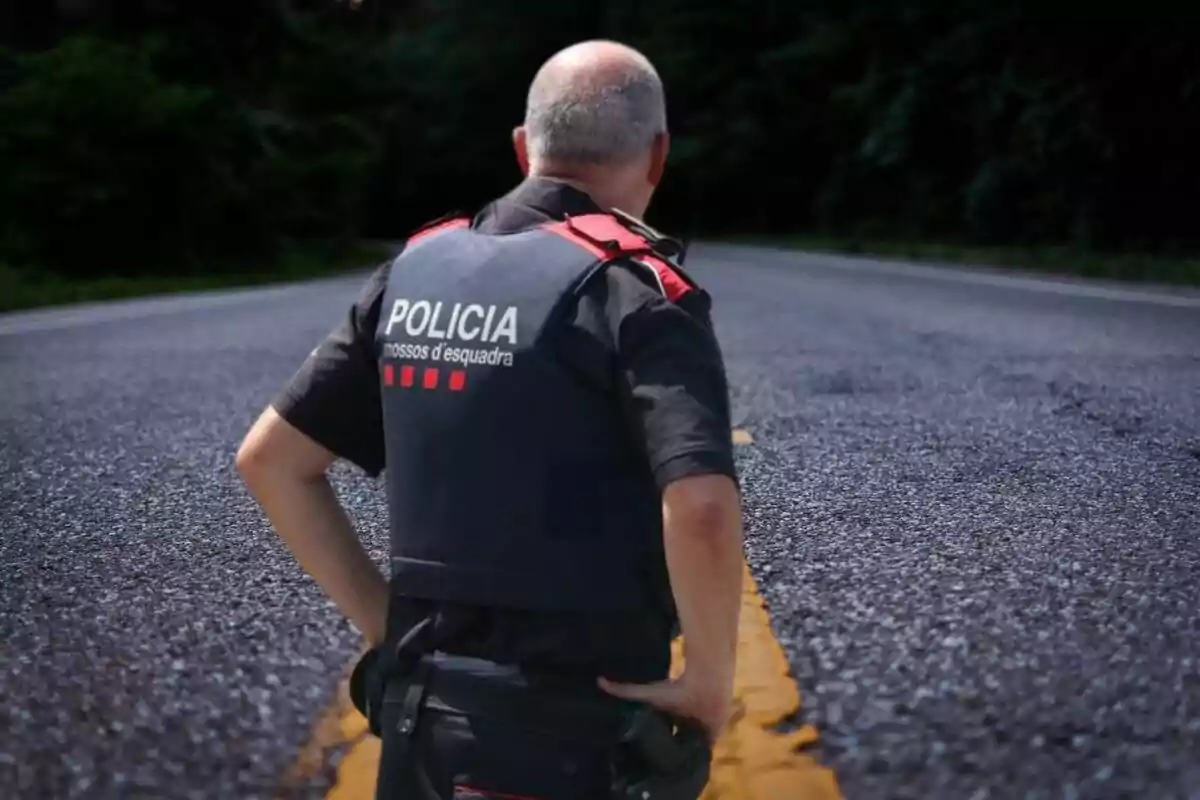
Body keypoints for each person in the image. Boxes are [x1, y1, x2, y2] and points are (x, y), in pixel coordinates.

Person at [236, 39, 745, 799]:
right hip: (584, 726)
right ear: (659, 155)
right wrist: (707, 682)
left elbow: (271, 461)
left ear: (521, 148)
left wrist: (386, 625)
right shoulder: (638, 290)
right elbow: (700, 506)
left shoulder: (413, 271)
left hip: (424, 719)